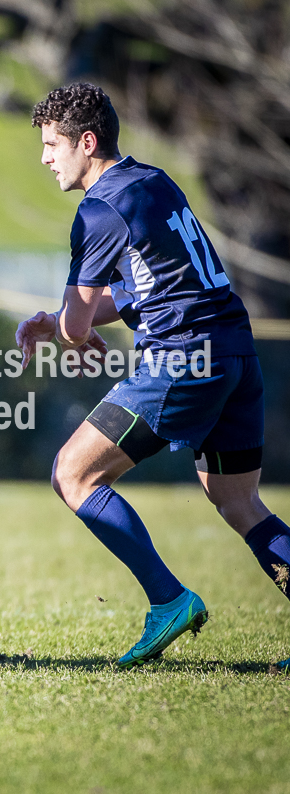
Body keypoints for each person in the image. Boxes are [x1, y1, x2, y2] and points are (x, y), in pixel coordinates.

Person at [16, 82, 290, 670]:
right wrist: (69, 322)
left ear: (86, 143)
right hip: (235, 353)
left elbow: (77, 321)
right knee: (237, 499)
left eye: (52, 145)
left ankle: (168, 600)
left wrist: (60, 328)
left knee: (73, 473)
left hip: (184, 359)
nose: (45, 157)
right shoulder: (153, 182)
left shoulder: (97, 210)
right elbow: (144, 286)